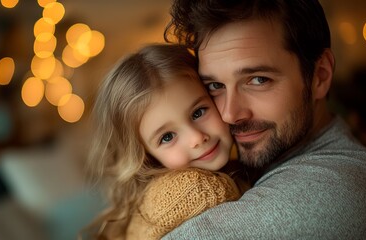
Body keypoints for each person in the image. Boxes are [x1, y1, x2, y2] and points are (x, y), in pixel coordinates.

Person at [162, 0, 366, 239]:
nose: (230, 114)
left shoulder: (335, 188)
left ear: (320, 76)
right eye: (215, 85)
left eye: (258, 80)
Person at [84, 44, 247, 239]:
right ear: (145, 155)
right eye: (167, 137)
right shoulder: (199, 190)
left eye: (198, 112)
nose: (196, 138)